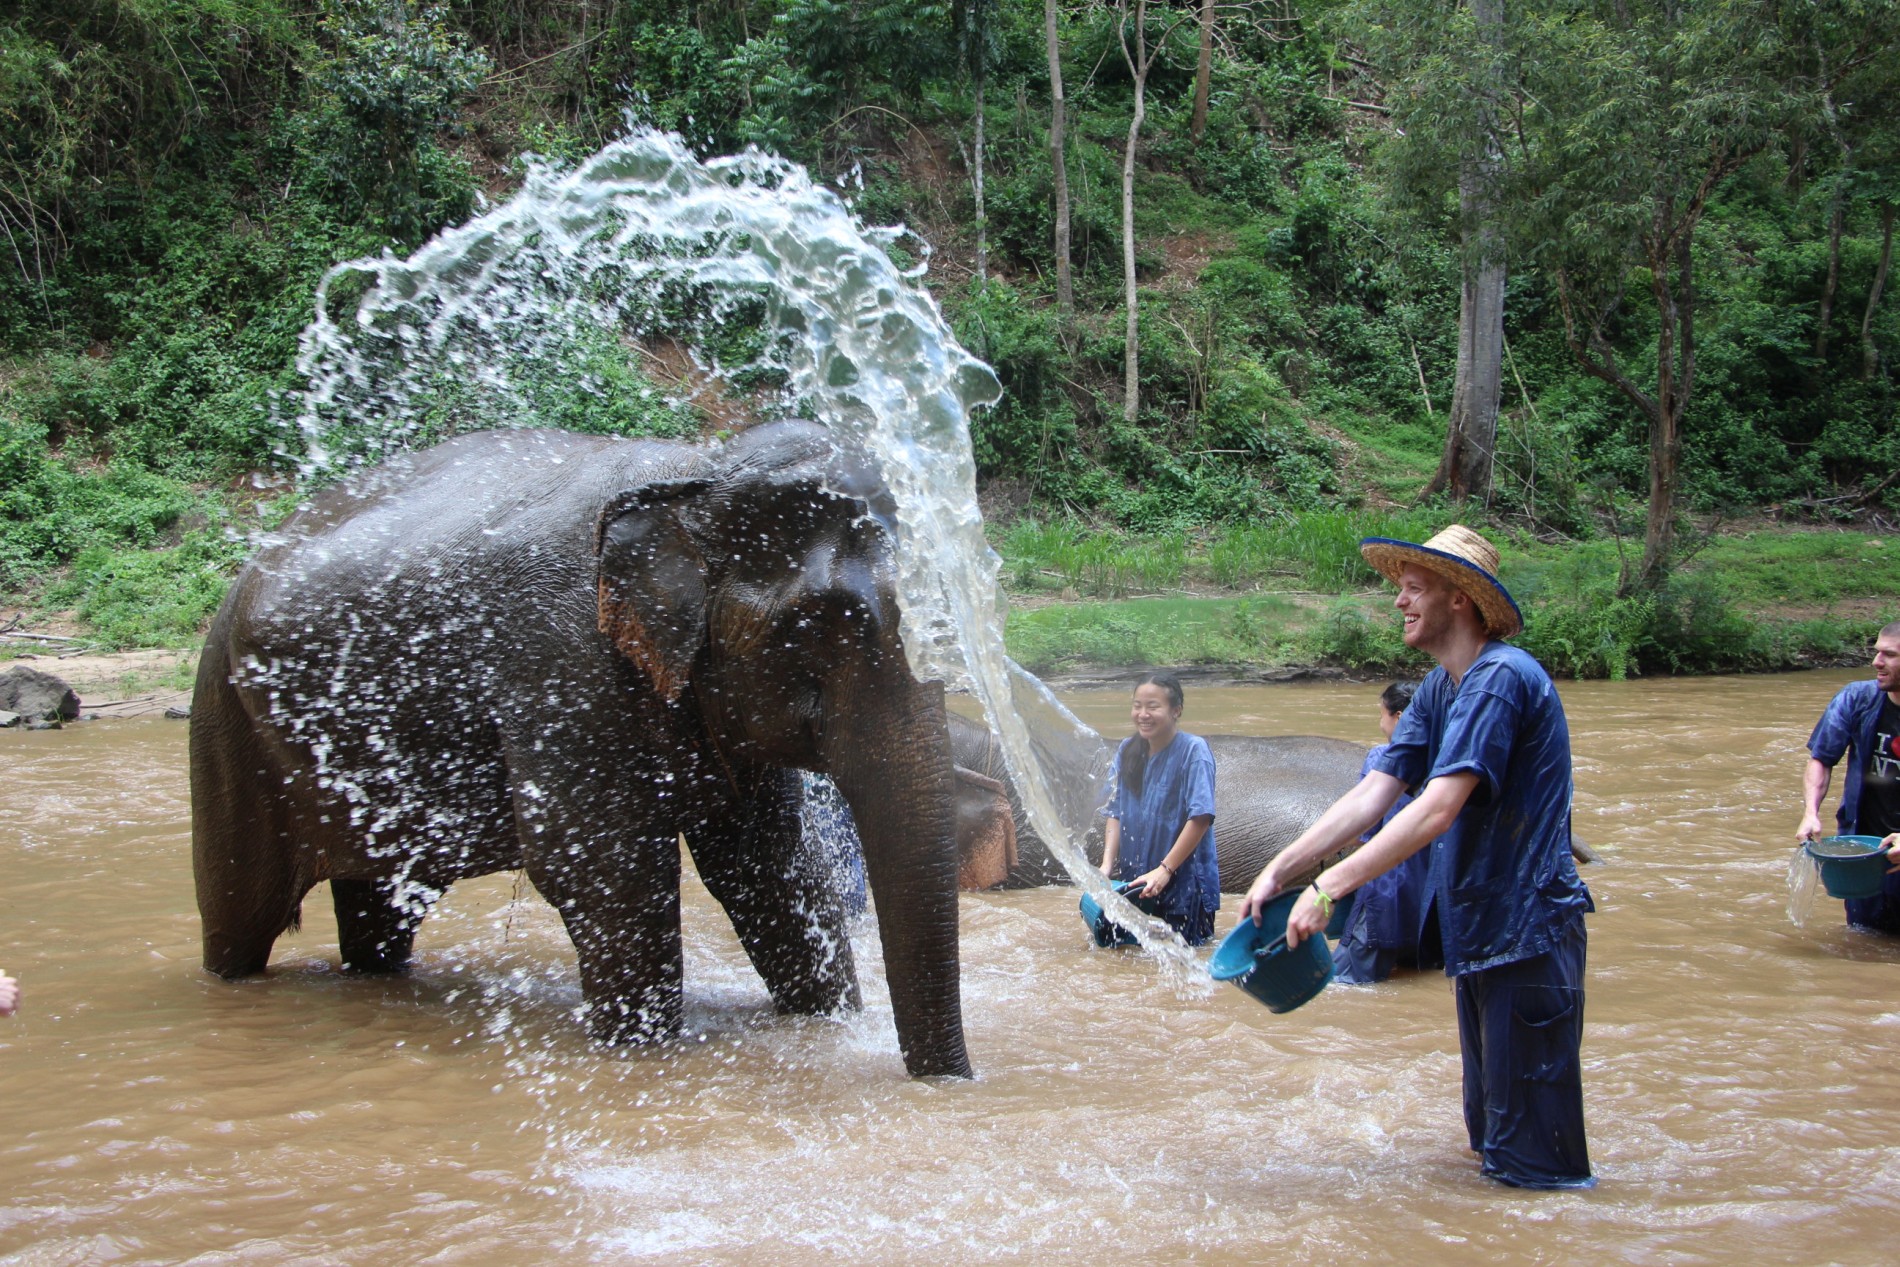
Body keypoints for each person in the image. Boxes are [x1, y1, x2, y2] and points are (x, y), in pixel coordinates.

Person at [1241, 525, 1593, 1190]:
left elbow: (1436, 808)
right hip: (1485, 937)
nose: (1398, 602)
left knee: (1534, 1172)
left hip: (1530, 937)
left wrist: (1329, 888)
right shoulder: (1442, 687)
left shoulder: (1499, 678)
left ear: (1459, 599)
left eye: (1412, 588)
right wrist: (1283, 868)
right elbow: (1376, 792)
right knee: (1490, 1144)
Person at [1332, 680, 1443, 984]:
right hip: (1432, 904)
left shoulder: (1382, 758)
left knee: (1341, 983)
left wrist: (1334, 847)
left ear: (1399, 716)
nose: (1380, 723)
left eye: (1381, 714)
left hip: (1385, 896)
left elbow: (1364, 826)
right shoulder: (1444, 762)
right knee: (1419, 981)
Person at [1099, 672, 1220, 945]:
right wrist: (1106, 866)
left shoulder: (1194, 751)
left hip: (1184, 888)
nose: (1143, 714)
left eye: (1153, 706)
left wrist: (1165, 870)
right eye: (1137, 706)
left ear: (1176, 710)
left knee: (1186, 963)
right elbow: (1115, 811)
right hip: (1137, 884)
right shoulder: (1128, 749)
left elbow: (1200, 817)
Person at [1798, 620, 1900, 930]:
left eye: (1890, 655)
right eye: (1877, 652)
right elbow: (1821, 758)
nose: (1876, 662)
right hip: (1866, 853)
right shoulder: (1857, 699)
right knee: (1864, 939)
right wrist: (1810, 812)